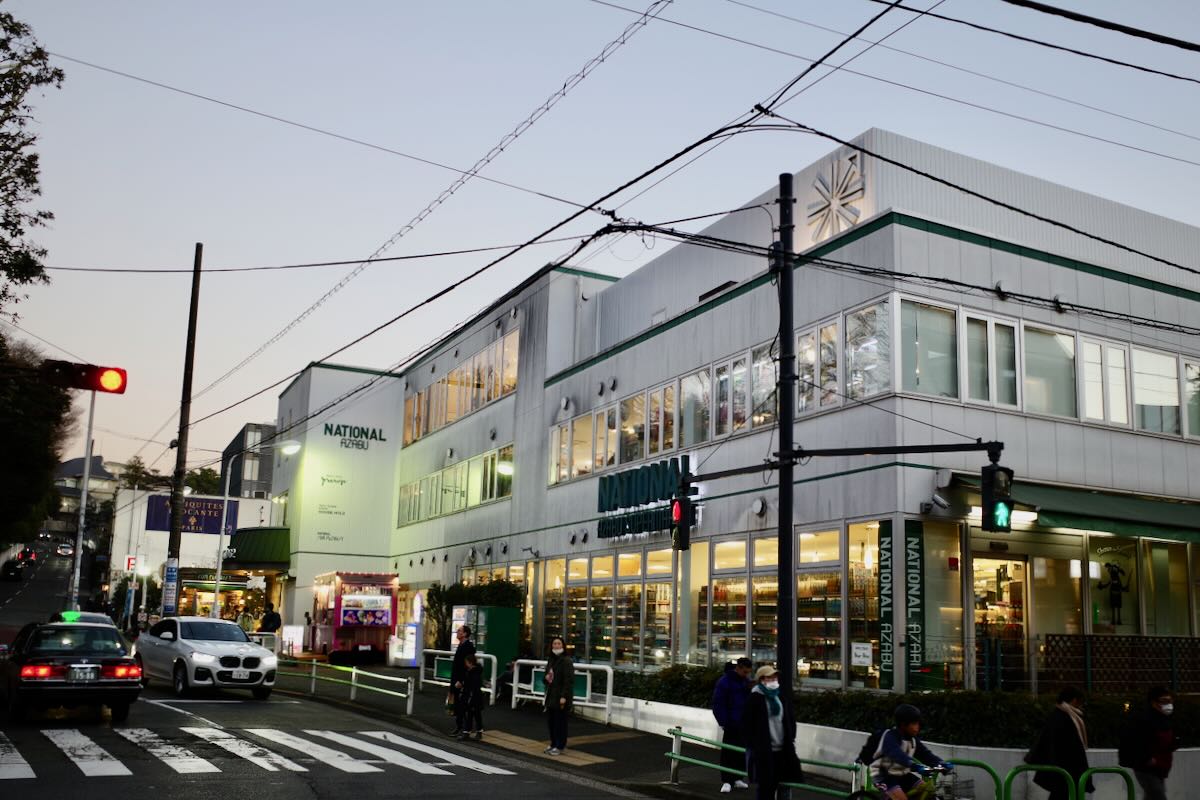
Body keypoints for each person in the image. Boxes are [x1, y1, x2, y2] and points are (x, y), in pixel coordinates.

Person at [743, 665, 801, 800]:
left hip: (782, 750)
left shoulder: (779, 697)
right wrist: (754, 744)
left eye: (775, 677)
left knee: (781, 785)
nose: (774, 679)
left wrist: (791, 736)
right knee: (765, 788)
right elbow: (746, 724)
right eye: (770, 677)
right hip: (764, 752)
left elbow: (789, 719)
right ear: (761, 679)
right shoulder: (755, 698)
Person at [873, 704, 952, 800]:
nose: (917, 727)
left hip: (902, 775)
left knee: (926, 791)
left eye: (918, 723)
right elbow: (898, 755)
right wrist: (915, 766)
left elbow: (926, 754)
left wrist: (941, 763)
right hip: (884, 776)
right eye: (914, 724)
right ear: (903, 724)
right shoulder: (890, 737)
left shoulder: (913, 740)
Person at [1027, 687, 1093, 800]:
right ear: (1073, 700)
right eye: (1080, 701)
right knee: (1065, 794)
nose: (1081, 705)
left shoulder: (1062, 715)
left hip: (1062, 769)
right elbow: (1067, 745)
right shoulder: (1064, 717)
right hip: (1065, 769)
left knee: (1061, 794)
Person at [1119, 686, 1178, 800]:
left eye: (1170, 701)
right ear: (1154, 703)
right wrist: (1146, 758)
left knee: (1152, 796)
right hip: (1146, 767)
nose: (1168, 704)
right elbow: (1134, 741)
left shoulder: (1166, 719)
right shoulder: (1143, 720)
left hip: (1161, 766)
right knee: (1157, 795)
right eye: (1164, 701)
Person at [712, 657, 753, 792]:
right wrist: (724, 722)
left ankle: (736, 778)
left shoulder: (742, 681)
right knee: (730, 752)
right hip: (732, 722)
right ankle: (727, 780)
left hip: (742, 723)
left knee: (739, 752)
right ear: (739, 668)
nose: (747, 674)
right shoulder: (726, 682)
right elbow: (718, 704)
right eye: (745, 671)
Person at [543, 636, 574, 755]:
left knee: (560, 722)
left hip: (560, 696)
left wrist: (564, 696)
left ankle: (560, 745)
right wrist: (545, 679)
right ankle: (553, 743)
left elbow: (568, 680)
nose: (556, 646)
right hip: (551, 694)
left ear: (563, 646)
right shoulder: (551, 660)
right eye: (554, 644)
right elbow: (547, 676)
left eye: (559, 644)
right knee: (551, 721)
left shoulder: (566, 661)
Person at [449, 625, 476, 737]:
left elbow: (466, 666)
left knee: (462, 705)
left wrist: (461, 680)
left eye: (459, 631)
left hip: (461, 680)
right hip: (456, 678)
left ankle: (464, 728)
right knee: (457, 704)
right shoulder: (461, 645)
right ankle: (460, 726)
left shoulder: (467, 647)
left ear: (465, 634)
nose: (457, 632)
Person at [457, 653, 485, 741]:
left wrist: (463, 686)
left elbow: (472, 686)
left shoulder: (472, 673)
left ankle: (470, 732)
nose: (465, 664)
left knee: (472, 714)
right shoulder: (475, 672)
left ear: (470, 663)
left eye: (466, 662)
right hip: (474, 696)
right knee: (474, 714)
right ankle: (474, 732)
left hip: (472, 696)